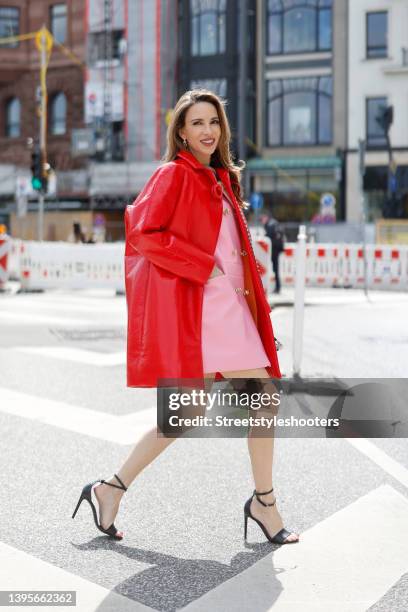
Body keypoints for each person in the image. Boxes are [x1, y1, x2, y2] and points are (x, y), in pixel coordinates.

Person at [72, 89, 299, 545]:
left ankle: (109, 489)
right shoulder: (173, 174)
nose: (208, 131)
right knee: (260, 397)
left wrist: (246, 273)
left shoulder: (218, 178)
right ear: (180, 131)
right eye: (197, 123)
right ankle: (264, 502)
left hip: (225, 306)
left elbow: (220, 243)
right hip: (202, 308)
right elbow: (143, 232)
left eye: (214, 122)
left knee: (192, 410)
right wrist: (205, 266)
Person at [264, 215, 285, 294]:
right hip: (277, 249)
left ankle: (277, 287)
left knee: (275, 269)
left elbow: (269, 236)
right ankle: (277, 287)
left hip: (274, 249)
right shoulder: (275, 223)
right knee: (275, 269)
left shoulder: (270, 225)